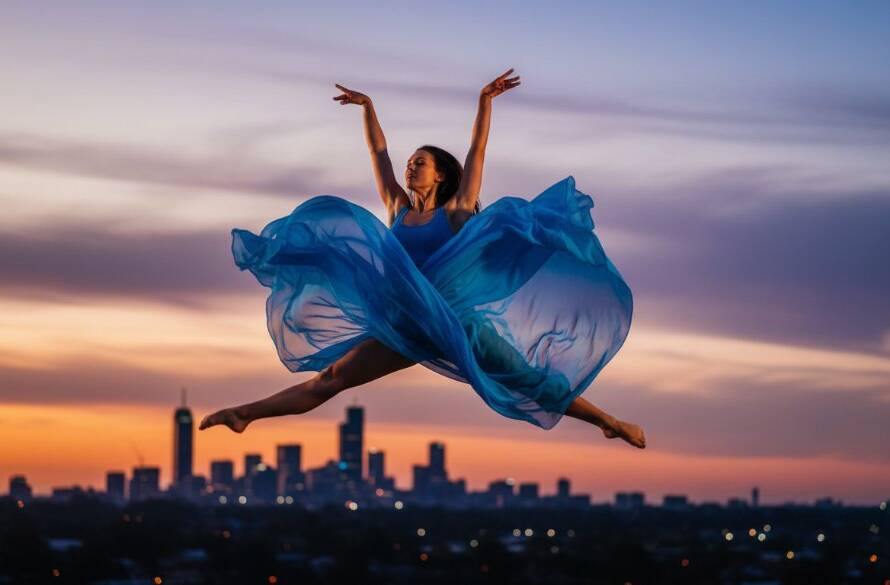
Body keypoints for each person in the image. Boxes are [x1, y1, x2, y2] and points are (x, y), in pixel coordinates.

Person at [200, 69, 645, 449]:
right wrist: (367, 107)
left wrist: (484, 101)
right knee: (332, 379)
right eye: (410, 162)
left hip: (456, 323)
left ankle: (609, 421)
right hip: (406, 323)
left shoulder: (456, 211)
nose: (411, 167)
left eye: (421, 162)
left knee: (525, 379)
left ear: (440, 173)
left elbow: (477, 153)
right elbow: (378, 153)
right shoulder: (397, 209)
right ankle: (244, 414)